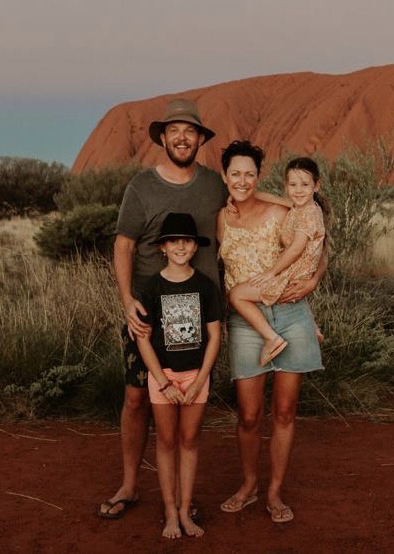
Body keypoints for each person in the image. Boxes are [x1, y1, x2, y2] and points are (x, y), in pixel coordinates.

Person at [98, 98, 227, 520]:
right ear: (163, 138)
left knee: (189, 400)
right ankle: (131, 485)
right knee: (137, 398)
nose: (182, 138)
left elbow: (245, 208)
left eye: (190, 131)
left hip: (201, 311)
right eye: (175, 131)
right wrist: (125, 300)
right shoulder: (141, 187)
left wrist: (300, 210)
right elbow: (124, 245)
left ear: (200, 139)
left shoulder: (213, 184)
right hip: (147, 314)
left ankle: (182, 500)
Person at [217, 141, 326, 524]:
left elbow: (317, 246)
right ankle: (248, 486)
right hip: (247, 322)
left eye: (250, 174)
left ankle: (274, 492)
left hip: (290, 313)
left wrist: (313, 282)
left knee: (284, 411)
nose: (243, 181)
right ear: (225, 176)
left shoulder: (284, 209)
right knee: (248, 414)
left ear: (258, 177)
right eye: (235, 174)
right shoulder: (221, 218)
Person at [136, 212, 222, 539]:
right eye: (174, 241)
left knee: (189, 441)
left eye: (186, 241)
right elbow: (143, 337)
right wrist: (162, 381)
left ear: (194, 246)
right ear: (163, 247)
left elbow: (215, 336)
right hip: (164, 377)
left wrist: (200, 380)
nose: (181, 247)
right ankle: (170, 511)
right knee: (167, 441)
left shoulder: (205, 286)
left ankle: (186, 511)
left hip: (196, 377)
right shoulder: (151, 288)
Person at [228, 157, 326, 367]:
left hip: (291, 275)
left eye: (305, 185)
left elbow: (296, 248)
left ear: (316, 185)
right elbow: (266, 196)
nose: (298, 190)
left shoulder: (308, 214)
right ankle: (313, 326)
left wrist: (271, 273)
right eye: (293, 185)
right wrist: (234, 198)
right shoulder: (300, 206)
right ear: (286, 186)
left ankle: (271, 339)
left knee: (237, 295)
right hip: (297, 273)